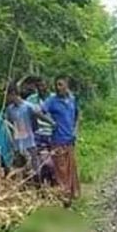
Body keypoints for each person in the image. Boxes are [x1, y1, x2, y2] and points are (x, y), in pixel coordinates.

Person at [43, 76, 81, 205]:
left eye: (61, 85)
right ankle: (63, 195)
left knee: (70, 168)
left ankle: (71, 193)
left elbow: (77, 114)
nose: (58, 88)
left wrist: (75, 129)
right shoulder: (52, 100)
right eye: (56, 85)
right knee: (60, 169)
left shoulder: (71, 99)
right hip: (57, 140)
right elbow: (39, 111)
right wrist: (51, 122)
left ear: (67, 86)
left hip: (69, 139)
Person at [6, 84, 52, 184]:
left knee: (34, 167)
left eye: (8, 95)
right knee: (19, 166)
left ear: (13, 94)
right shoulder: (9, 109)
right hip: (17, 143)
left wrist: (52, 123)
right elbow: (9, 124)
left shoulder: (28, 107)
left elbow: (39, 118)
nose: (7, 98)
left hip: (29, 141)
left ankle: (37, 185)